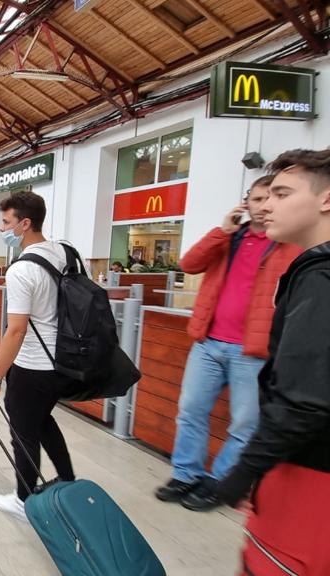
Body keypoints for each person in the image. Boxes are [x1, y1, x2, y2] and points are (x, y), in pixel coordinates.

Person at [154, 176, 301, 512]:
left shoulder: (289, 243)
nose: (264, 206)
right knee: (190, 412)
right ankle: (185, 475)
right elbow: (189, 264)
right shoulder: (229, 238)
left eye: (273, 198)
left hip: (254, 352)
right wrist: (221, 231)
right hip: (208, 343)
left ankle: (219, 482)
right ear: (246, 202)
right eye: (258, 199)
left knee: (245, 424)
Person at [215, 149, 330, 575]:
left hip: (311, 475)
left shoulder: (320, 278)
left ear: (326, 199)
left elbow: (304, 397)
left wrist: (246, 469)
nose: (266, 206)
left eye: (282, 194)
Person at [0, 190, 80, 523]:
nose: (1, 229)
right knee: (43, 420)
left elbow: (16, 330)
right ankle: (68, 480)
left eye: (6, 222)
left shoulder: (21, 270)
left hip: (33, 364)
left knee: (22, 431)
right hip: (62, 360)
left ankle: (24, 500)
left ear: (25, 224)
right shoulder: (64, 252)